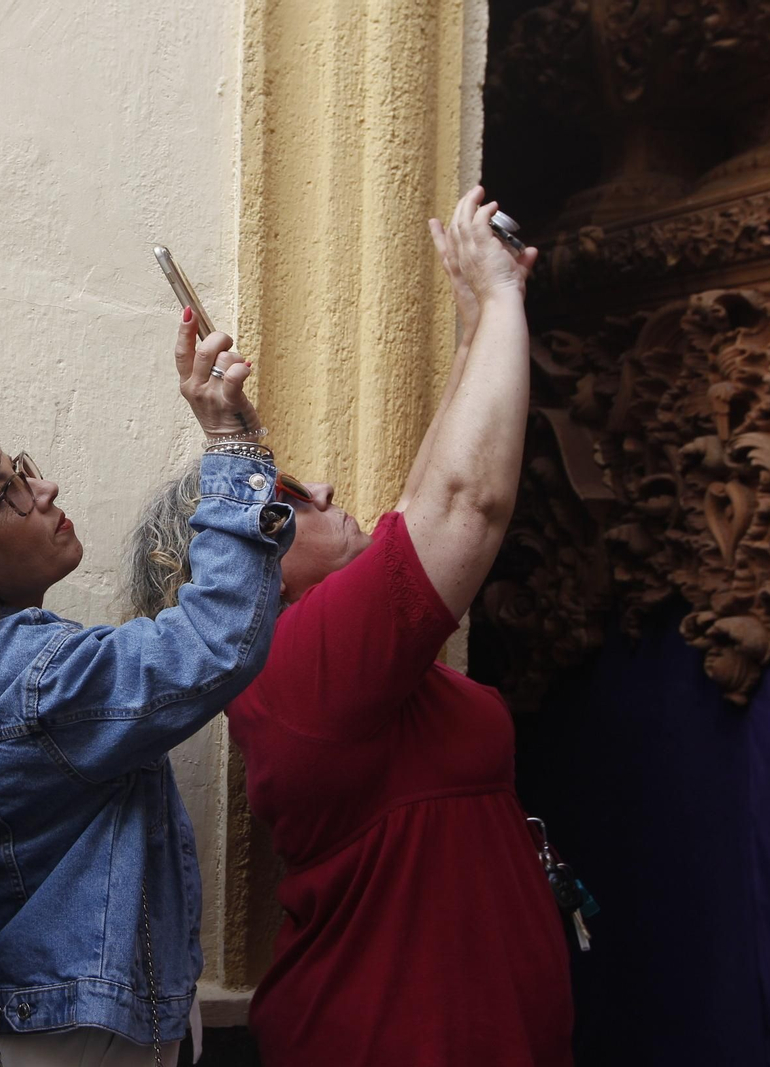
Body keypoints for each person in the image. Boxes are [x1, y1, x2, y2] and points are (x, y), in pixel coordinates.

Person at [122, 188, 574, 1066]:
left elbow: (421, 498)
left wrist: (480, 319)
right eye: (288, 498)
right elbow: (462, 503)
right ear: (237, 559)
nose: (325, 490)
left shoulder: (321, 648)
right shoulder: (295, 664)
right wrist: (508, 302)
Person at [0, 314, 296, 1065]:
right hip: (63, 1040)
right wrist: (233, 445)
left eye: (21, 469)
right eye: (8, 492)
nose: (44, 487)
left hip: (22, 1027)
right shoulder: (31, 675)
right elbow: (213, 643)